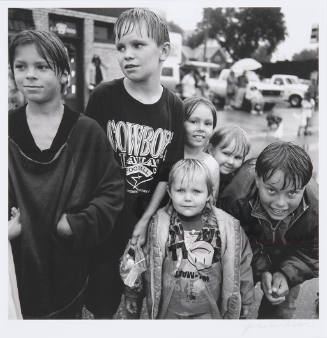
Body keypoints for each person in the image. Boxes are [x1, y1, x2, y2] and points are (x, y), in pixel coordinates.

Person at [8, 30, 124, 319]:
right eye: (20, 66)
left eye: (42, 66)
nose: (29, 75)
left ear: (63, 74)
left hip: (67, 272)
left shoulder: (87, 132)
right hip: (14, 270)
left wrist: (77, 224)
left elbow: (112, 191)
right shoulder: (6, 128)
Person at [84, 8, 184, 318]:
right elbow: (86, 164)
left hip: (147, 225)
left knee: (140, 304)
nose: (127, 55)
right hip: (104, 225)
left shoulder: (174, 106)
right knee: (101, 305)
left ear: (163, 51)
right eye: (121, 47)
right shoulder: (103, 97)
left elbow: (168, 173)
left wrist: (144, 221)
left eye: (138, 45)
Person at [122, 159, 254, 319]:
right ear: (169, 192)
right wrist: (132, 294)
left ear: (209, 194)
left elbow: (242, 264)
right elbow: (140, 260)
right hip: (170, 312)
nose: (188, 198)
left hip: (209, 313)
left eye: (196, 191)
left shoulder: (228, 227)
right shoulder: (159, 225)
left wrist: (246, 300)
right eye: (180, 190)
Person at [219, 142, 318, 319]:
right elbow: (232, 244)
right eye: (271, 190)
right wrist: (262, 269)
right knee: (234, 307)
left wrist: (287, 274)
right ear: (257, 180)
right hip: (248, 260)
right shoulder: (235, 197)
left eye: (292, 193)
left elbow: (315, 252)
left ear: (304, 186)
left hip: (290, 258)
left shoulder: (317, 209)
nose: (280, 203)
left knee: (279, 314)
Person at [183, 96, 220, 200]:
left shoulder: (211, 165)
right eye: (193, 121)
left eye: (207, 123)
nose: (201, 128)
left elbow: (212, 203)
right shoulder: (168, 157)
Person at [208, 125, 250, 205]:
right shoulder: (199, 172)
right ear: (211, 150)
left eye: (237, 157)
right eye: (226, 153)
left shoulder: (237, 179)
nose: (231, 162)